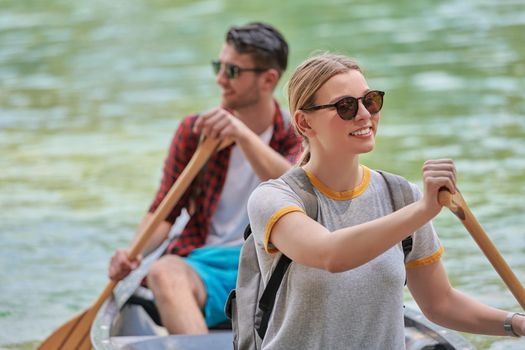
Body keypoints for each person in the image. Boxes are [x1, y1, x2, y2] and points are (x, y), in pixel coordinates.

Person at [246, 52, 525, 349]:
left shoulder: (400, 196)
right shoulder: (274, 198)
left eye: (371, 101)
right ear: (304, 123)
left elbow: (439, 302)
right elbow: (330, 254)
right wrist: (422, 211)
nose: (365, 115)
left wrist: (516, 323)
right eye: (346, 106)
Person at [108, 22, 302, 335]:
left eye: (233, 71)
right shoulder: (195, 132)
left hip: (275, 262)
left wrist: (241, 134)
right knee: (163, 273)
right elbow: (164, 210)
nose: (220, 79)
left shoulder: (298, 134)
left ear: (268, 79)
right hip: (206, 262)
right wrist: (133, 253)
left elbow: (297, 189)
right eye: (219, 66)